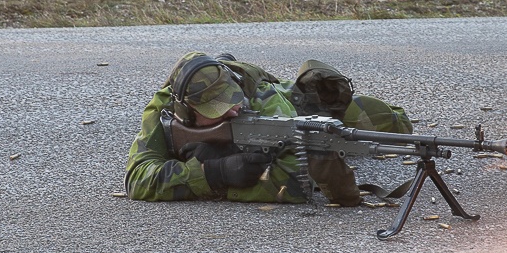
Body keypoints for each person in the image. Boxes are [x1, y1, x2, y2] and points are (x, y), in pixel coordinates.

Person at [124, 52, 413, 205]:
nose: (233, 109)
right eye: (217, 110)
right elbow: (137, 180)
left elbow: (298, 184)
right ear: (185, 111)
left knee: (391, 122)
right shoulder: (164, 107)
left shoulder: (264, 101)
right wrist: (215, 174)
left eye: (232, 99)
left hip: (295, 106)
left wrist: (216, 176)